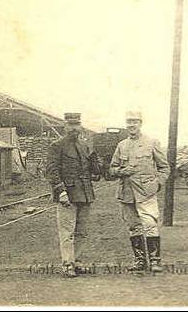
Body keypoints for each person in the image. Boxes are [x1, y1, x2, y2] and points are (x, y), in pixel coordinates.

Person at [110, 110, 170, 274]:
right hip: (127, 193)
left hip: (146, 192)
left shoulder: (151, 143)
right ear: (126, 124)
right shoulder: (121, 145)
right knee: (133, 227)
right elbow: (112, 169)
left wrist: (157, 184)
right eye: (129, 121)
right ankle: (140, 261)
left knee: (150, 224)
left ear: (141, 123)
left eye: (135, 121)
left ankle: (155, 260)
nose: (132, 125)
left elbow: (165, 168)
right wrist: (122, 171)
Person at [45, 112, 103, 277]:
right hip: (68, 195)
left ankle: (77, 262)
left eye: (76, 125)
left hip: (85, 194)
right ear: (65, 126)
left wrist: (95, 159)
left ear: (80, 126)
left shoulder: (85, 147)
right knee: (67, 232)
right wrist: (60, 191)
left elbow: (95, 173)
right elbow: (52, 171)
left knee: (82, 232)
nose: (73, 128)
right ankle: (67, 265)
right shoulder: (57, 146)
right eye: (70, 125)